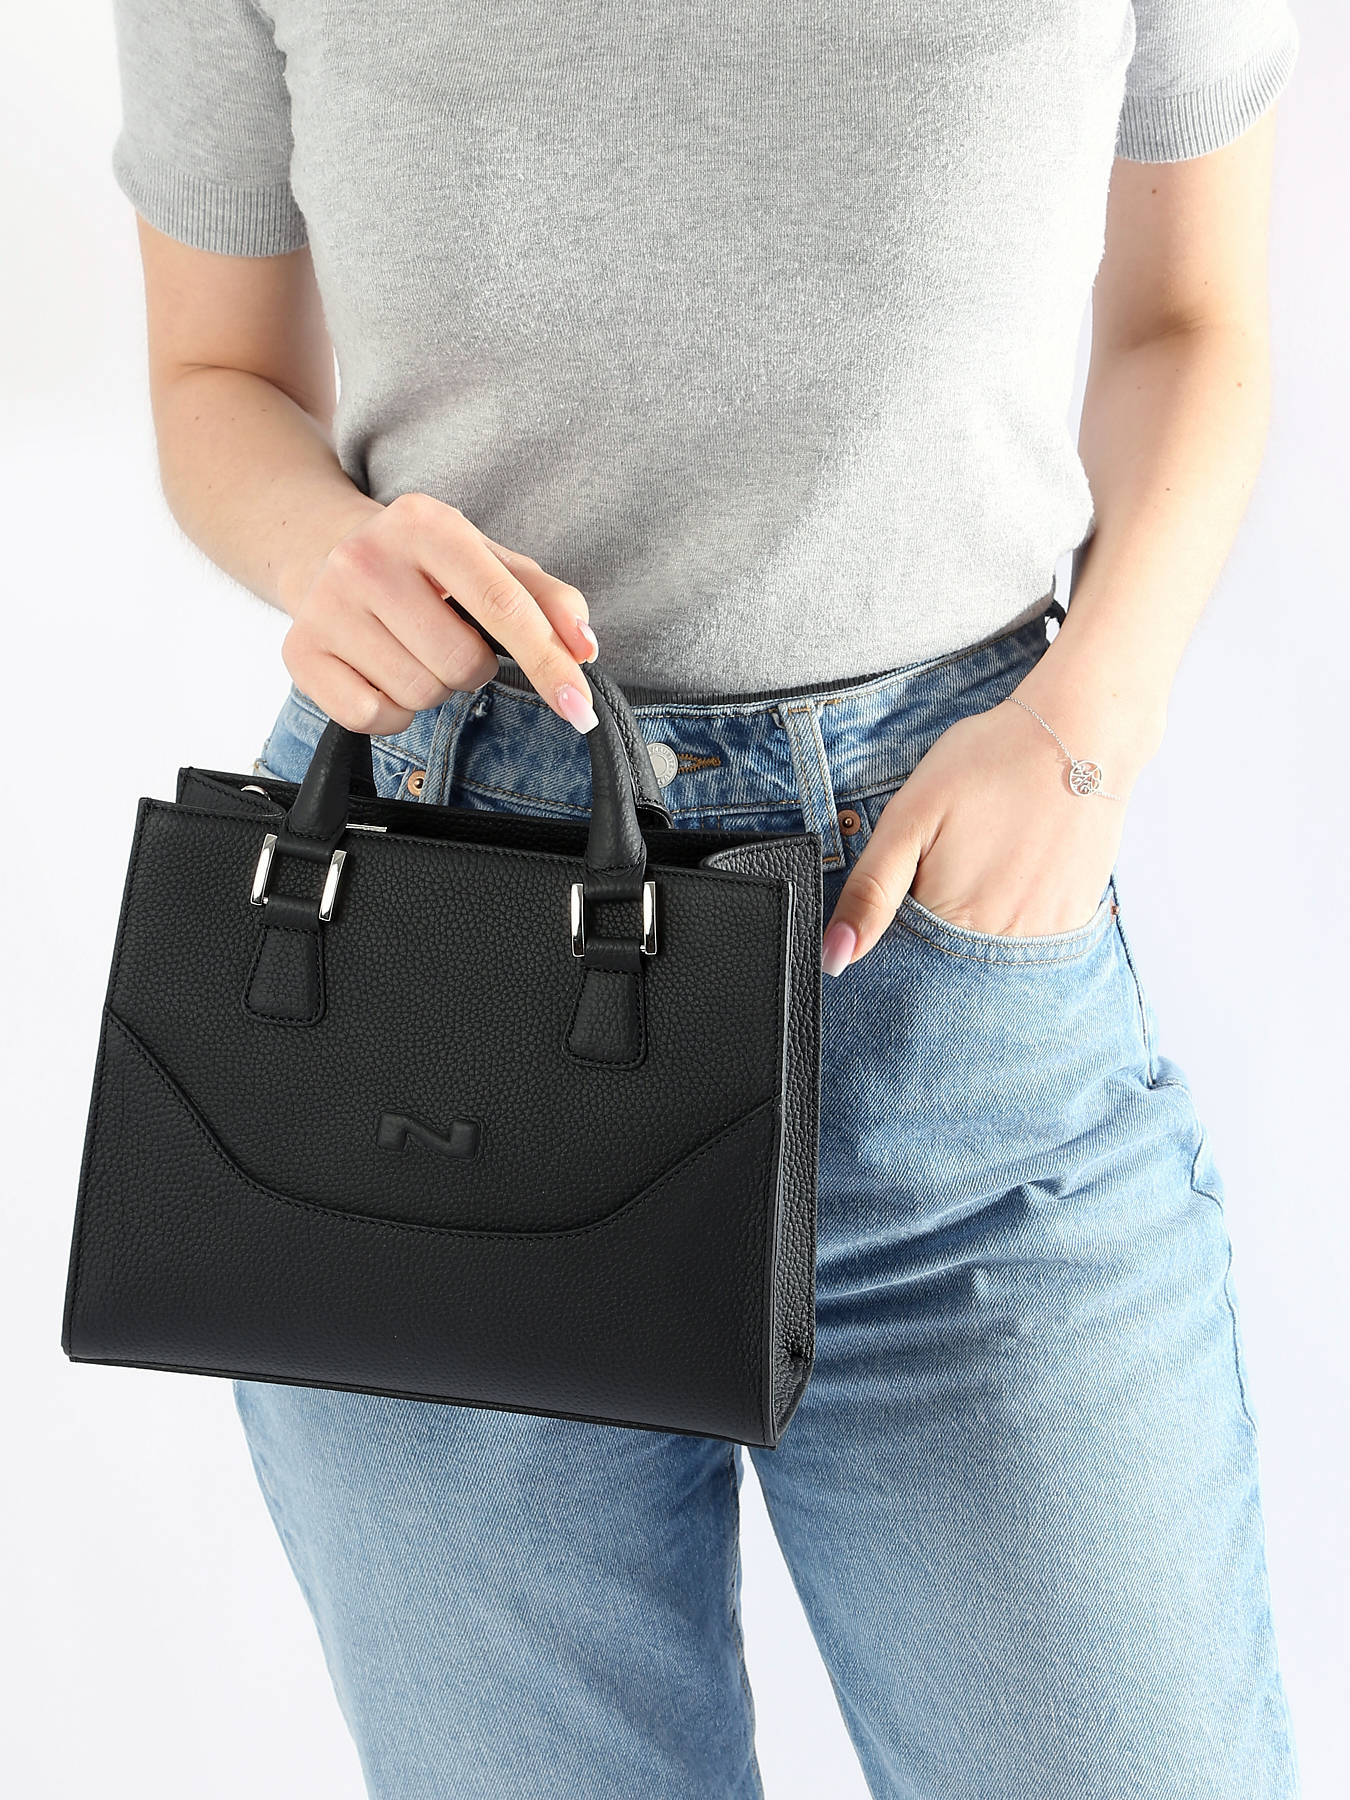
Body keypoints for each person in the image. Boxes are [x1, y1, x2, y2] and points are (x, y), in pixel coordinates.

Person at [107, 2, 1303, 1794]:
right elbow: (217, 375)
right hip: (433, 967)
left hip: (949, 951)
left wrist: (1086, 733)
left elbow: (1187, 321)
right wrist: (323, 553)